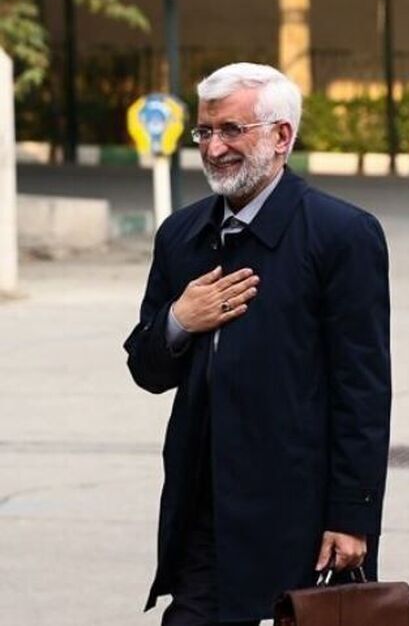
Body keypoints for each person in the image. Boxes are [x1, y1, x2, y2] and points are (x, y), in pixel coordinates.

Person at [123, 63, 392, 625]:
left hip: (300, 516)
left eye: (232, 130)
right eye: (204, 131)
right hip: (204, 511)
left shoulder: (341, 234)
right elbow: (147, 370)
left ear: (281, 136)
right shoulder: (182, 235)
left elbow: (362, 391)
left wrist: (352, 516)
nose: (214, 148)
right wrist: (179, 320)